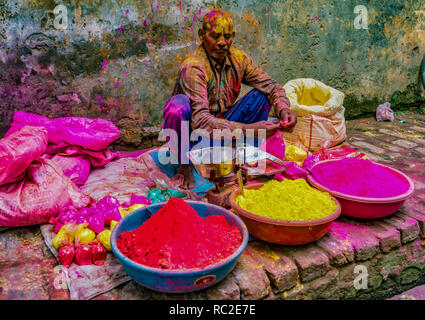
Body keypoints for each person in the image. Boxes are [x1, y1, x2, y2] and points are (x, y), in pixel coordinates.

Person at [162, 9, 297, 189]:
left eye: (227, 37)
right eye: (215, 36)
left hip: (226, 130)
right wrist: (248, 129)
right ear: (201, 35)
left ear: (233, 36)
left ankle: (242, 156)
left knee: (262, 95)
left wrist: (283, 110)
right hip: (195, 136)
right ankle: (185, 164)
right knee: (177, 107)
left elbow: (271, 85)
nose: (222, 43)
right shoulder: (194, 67)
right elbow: (201, 120)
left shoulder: (239, 59)